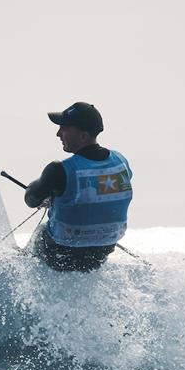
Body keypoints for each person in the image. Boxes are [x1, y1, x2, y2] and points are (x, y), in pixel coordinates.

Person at [24, 102, 133, 272]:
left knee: (41, 231)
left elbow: (30, 199)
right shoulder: (120, 161)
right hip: (102, 252)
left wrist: (47, 193)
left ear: (83, 136)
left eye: (64, 128)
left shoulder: (59, 170)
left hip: (61, 253)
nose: (58, 133)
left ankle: (24, 273)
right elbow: (104, 191)